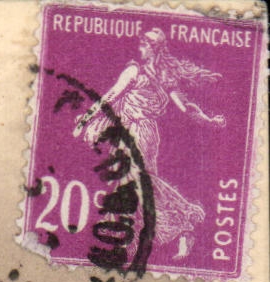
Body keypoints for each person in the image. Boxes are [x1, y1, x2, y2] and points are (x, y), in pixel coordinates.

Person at [73, 27, 226, 259]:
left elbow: (110, 97)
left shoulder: (137, 71)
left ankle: (176, 225)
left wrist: (85, 118)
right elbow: (187, 108)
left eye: (144, 45)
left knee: (135, 181)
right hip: (141, 132)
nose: (140, 48)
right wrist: (210, 120)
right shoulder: (163, 76)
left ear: (154, 49)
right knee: (134, 183)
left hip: (138, 132)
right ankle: (150, 236)